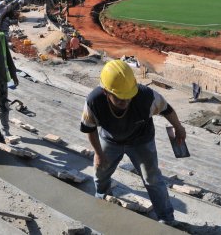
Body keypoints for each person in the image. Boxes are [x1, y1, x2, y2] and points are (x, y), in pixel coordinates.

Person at [80, 60, 186, 225]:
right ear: (105, 92)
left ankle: (166, 218)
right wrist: (99, 154)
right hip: (110, 139)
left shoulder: (145, 97)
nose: (126, 101)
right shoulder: (94, 101)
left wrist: (178, 127)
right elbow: (89, 129)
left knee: (152, 178)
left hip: (141, 140)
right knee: (100, 172)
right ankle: (103, 196)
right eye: (120, 98)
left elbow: (166, 109)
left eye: (129, 97)